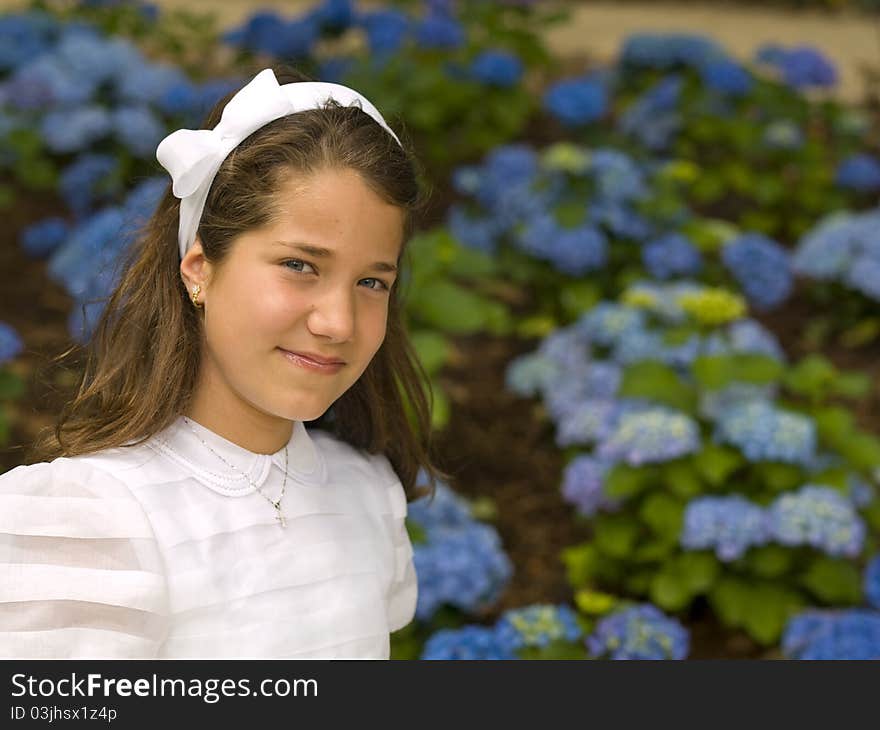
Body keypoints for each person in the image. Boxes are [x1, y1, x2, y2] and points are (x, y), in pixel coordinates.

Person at [0, 65, 449, 659]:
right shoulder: (91, 518)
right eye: (299, 266)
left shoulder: (366, 492)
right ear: (200, 270)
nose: (337, 322)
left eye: (371, 281)